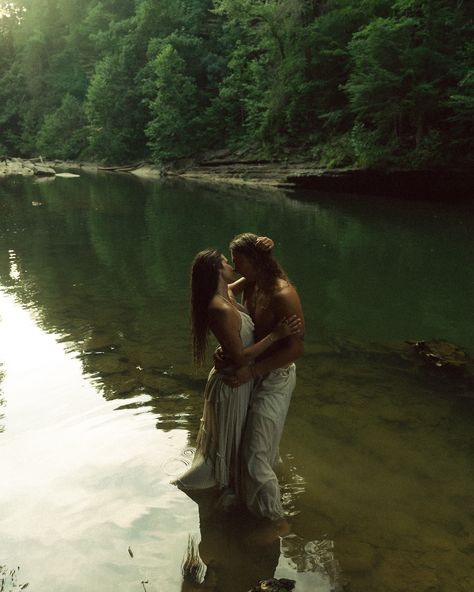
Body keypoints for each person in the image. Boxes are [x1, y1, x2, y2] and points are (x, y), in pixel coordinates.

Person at [172, 247, 302, 500]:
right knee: (229, 443)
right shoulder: (219, 306)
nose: (233, 266)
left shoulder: (228, 293)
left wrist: (265, 248)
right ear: (217, 272)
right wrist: (276, 335)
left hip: (242, 380)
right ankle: (225, 492)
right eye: (226, 262)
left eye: (235, 261)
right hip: (233, 382)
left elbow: (255, 272)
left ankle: (235, 491)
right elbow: (241, 356)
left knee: (239, 442)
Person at [221, 233, 305, 524]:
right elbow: (226, 291)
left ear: (255, 261)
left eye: (238, 260)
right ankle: (258, 496)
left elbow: (295, 348)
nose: (234, 265)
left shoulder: (283, 294)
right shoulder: (253, 281)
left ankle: (275, 523)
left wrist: (250, 371)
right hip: (254, 373)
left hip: (275, 377)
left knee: (255, 454)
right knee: (256, 443)